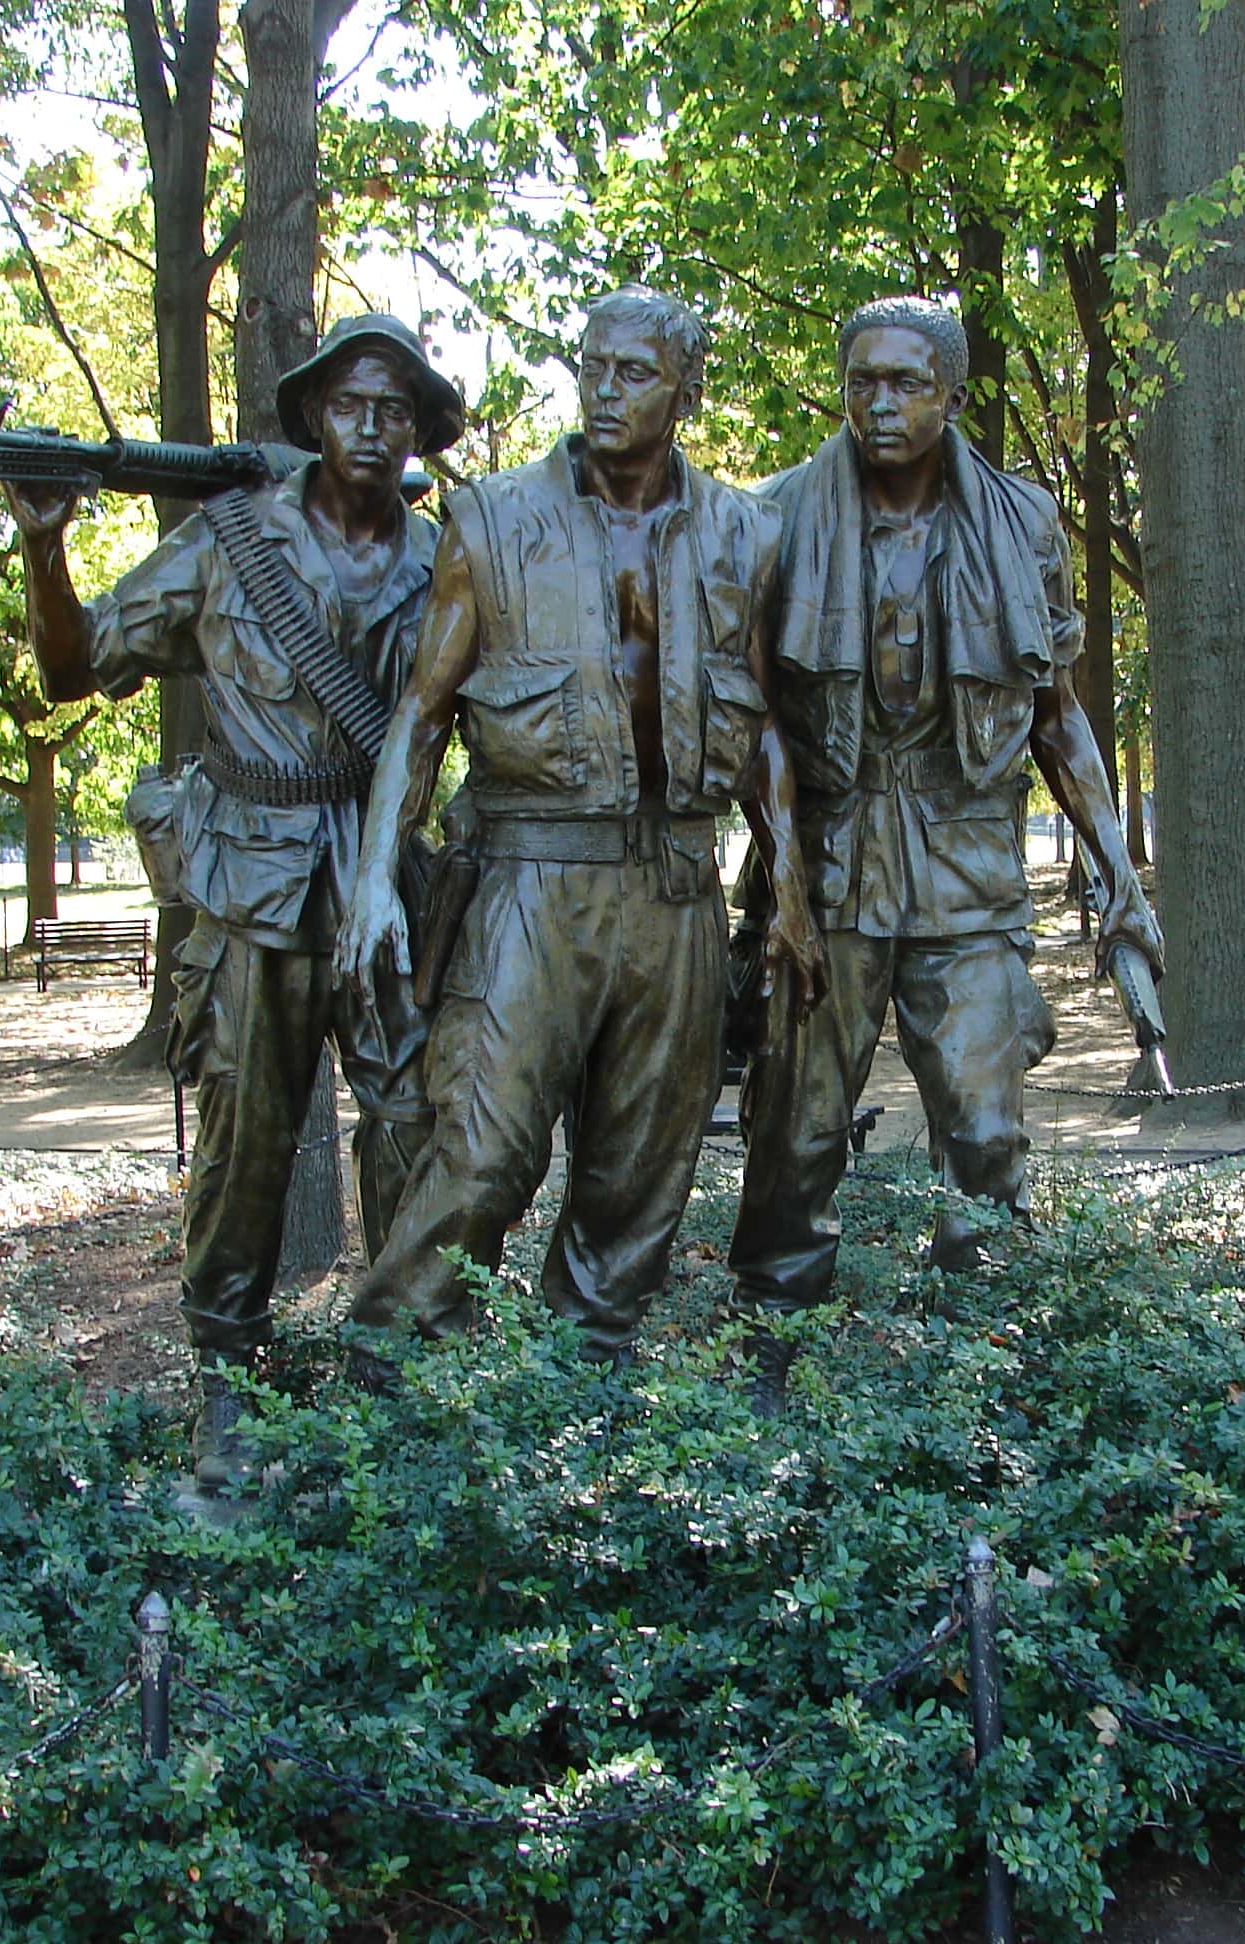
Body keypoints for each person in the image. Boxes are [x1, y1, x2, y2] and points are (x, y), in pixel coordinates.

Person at [7, 312, 468, 1491]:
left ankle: (401, 1368)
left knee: (418, 1119)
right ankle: (229, 1387)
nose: (371, 427)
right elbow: (76, 670)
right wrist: (46, 552)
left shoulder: (450, 556)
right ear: (313, 416)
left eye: (395, 409)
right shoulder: (228, 542)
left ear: (418, 430)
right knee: (247, 1140)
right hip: (252, 882)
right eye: (351, 404)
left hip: (384, 875)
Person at [337, 284, 825, 1367]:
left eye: (635, 373)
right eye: (592, 367)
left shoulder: (748, 533)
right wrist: (377, 874)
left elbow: (763, 728)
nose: (605, 392)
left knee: (640, 1175)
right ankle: (391, 1395)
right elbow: (420, 714)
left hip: (675, 890)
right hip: (528, 881)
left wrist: (789, 885)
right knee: (479, 1150)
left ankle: (579, 1413)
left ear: (686, 391)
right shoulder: (493, 520)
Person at [728, 296, 1161, 1386]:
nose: (880, 403)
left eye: (905, 383)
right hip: (823, 868)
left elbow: (1057, 711)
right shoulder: (771, 519)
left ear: (952, 395)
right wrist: (780, 875)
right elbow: (751, 718)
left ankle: (983, 1375)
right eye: (861, 380)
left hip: (968, 865)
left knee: (983, 1131)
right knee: (796, 1137)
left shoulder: (1024, 526)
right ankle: (771, 1378)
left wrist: (1119, 871)